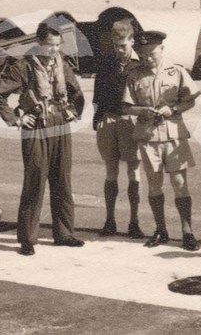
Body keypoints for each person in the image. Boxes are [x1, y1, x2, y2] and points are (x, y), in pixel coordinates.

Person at [0, 23, 85, 256]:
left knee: (63, 181)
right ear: (39, 44)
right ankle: (28, 238)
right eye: (49, 46)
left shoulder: (62, 63)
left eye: (57, 45)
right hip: (36, 128)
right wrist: (16, 119)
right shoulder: (23, 66)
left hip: (60, 126)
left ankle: (64, 234)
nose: (53, 50)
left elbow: (77, 93)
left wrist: (74, 110)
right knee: (35, 181)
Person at [122, 30, 201, 251]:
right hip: (148, 137)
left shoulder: (176, 72)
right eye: (143, 54)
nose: (148, 58)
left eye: (152, 52)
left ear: (162, 49)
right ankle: (161, 231)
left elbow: (190, 100)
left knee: (179, 184)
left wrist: (173, 108)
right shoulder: (135, 75)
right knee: (154, 184)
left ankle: (188, 232)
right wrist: (142, 111)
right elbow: (126, 106)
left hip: (174, 134)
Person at [92, 17, 145, 239]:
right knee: (111, 171)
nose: (119, 50)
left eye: (123, 45)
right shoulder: (106, 63)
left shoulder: (141, 65)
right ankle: (110, 220)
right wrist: (99, 118)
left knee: (134, 172)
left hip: (131, 122)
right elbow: (98, 95)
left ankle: (134, 222)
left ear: (132, 41)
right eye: (115, 46)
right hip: (109, 121)